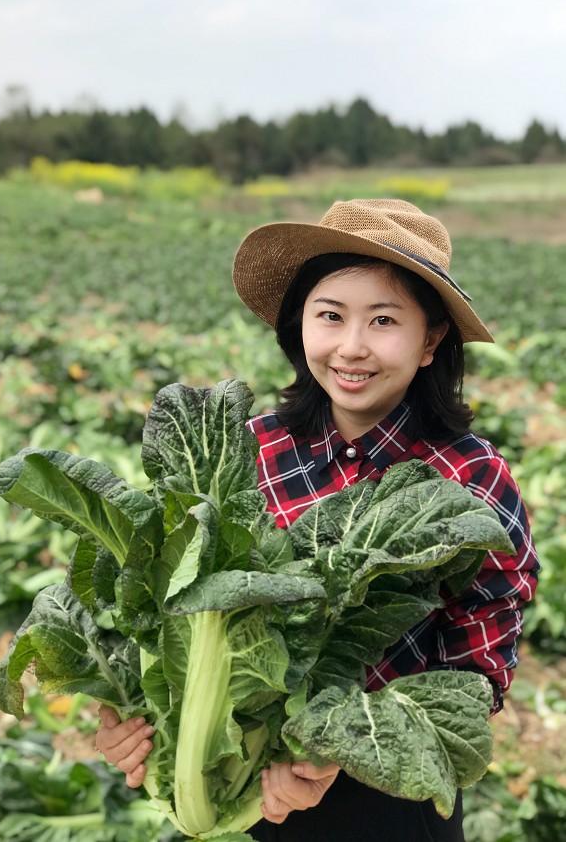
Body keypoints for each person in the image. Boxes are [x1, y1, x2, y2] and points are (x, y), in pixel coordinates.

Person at [95, 199, 539, 841]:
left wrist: (336, 745)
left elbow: (478, 661)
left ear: (430, 341)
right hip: (235, 780)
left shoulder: (469, 477)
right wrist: (133, 716)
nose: (352, 347)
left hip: (383, 794)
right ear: (298, 326)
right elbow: (169, 596)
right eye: (330, 316)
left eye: (384, 320)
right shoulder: (241, 446)